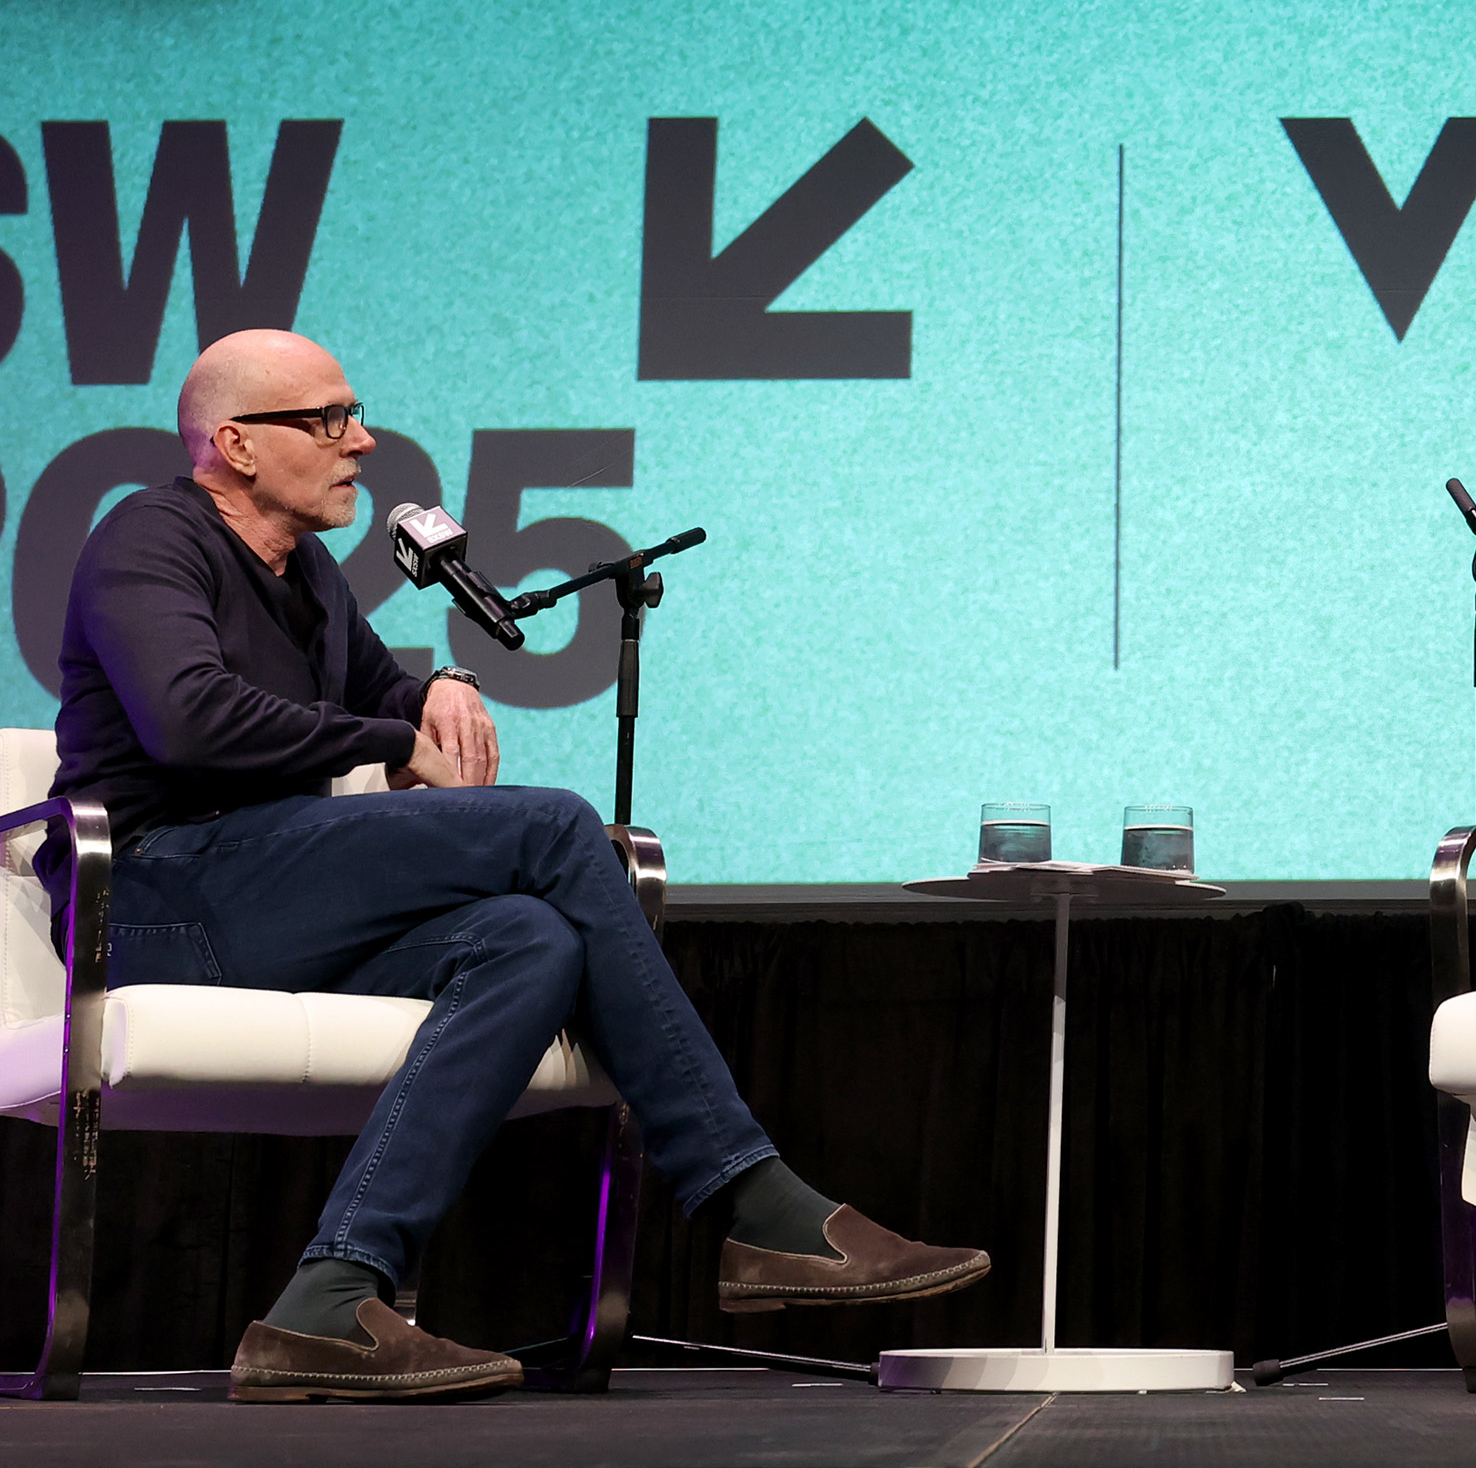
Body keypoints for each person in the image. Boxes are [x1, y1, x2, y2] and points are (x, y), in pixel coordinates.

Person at [61, 327, 988, 1403]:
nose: (361, 440)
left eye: (355, 413)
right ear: (236, 444)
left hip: (262, 888)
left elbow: (378, 689)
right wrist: (389, 737)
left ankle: (328, 1299)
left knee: (529, 940)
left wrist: (436, 687)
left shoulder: (304, 569)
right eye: (328, 419)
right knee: (553, 827)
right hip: (154, 896)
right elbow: (188, 720)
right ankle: (751, 1197)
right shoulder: (149, 537)